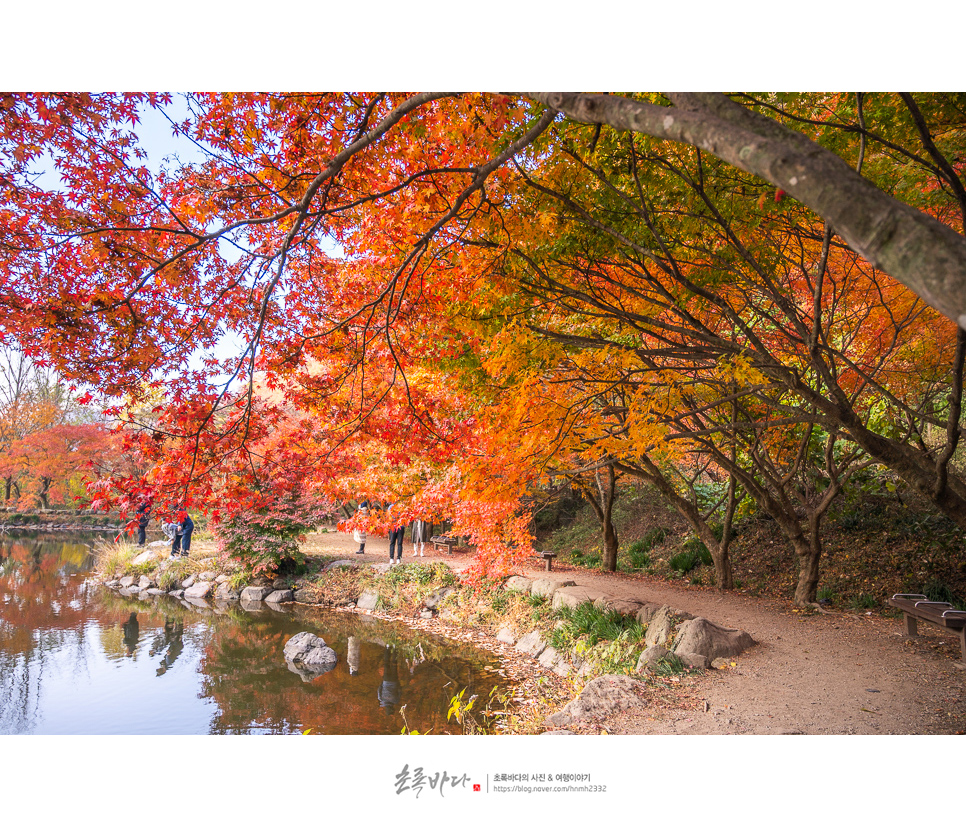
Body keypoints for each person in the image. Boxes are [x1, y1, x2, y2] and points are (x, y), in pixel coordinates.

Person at [386, 502, 405, 566]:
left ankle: (395, 558)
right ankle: (395, 558)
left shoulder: (392, 507)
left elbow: (388, 517)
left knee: (395, 543)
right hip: (397, 526)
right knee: (396, 543)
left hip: (396, 526)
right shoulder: (399, 506)